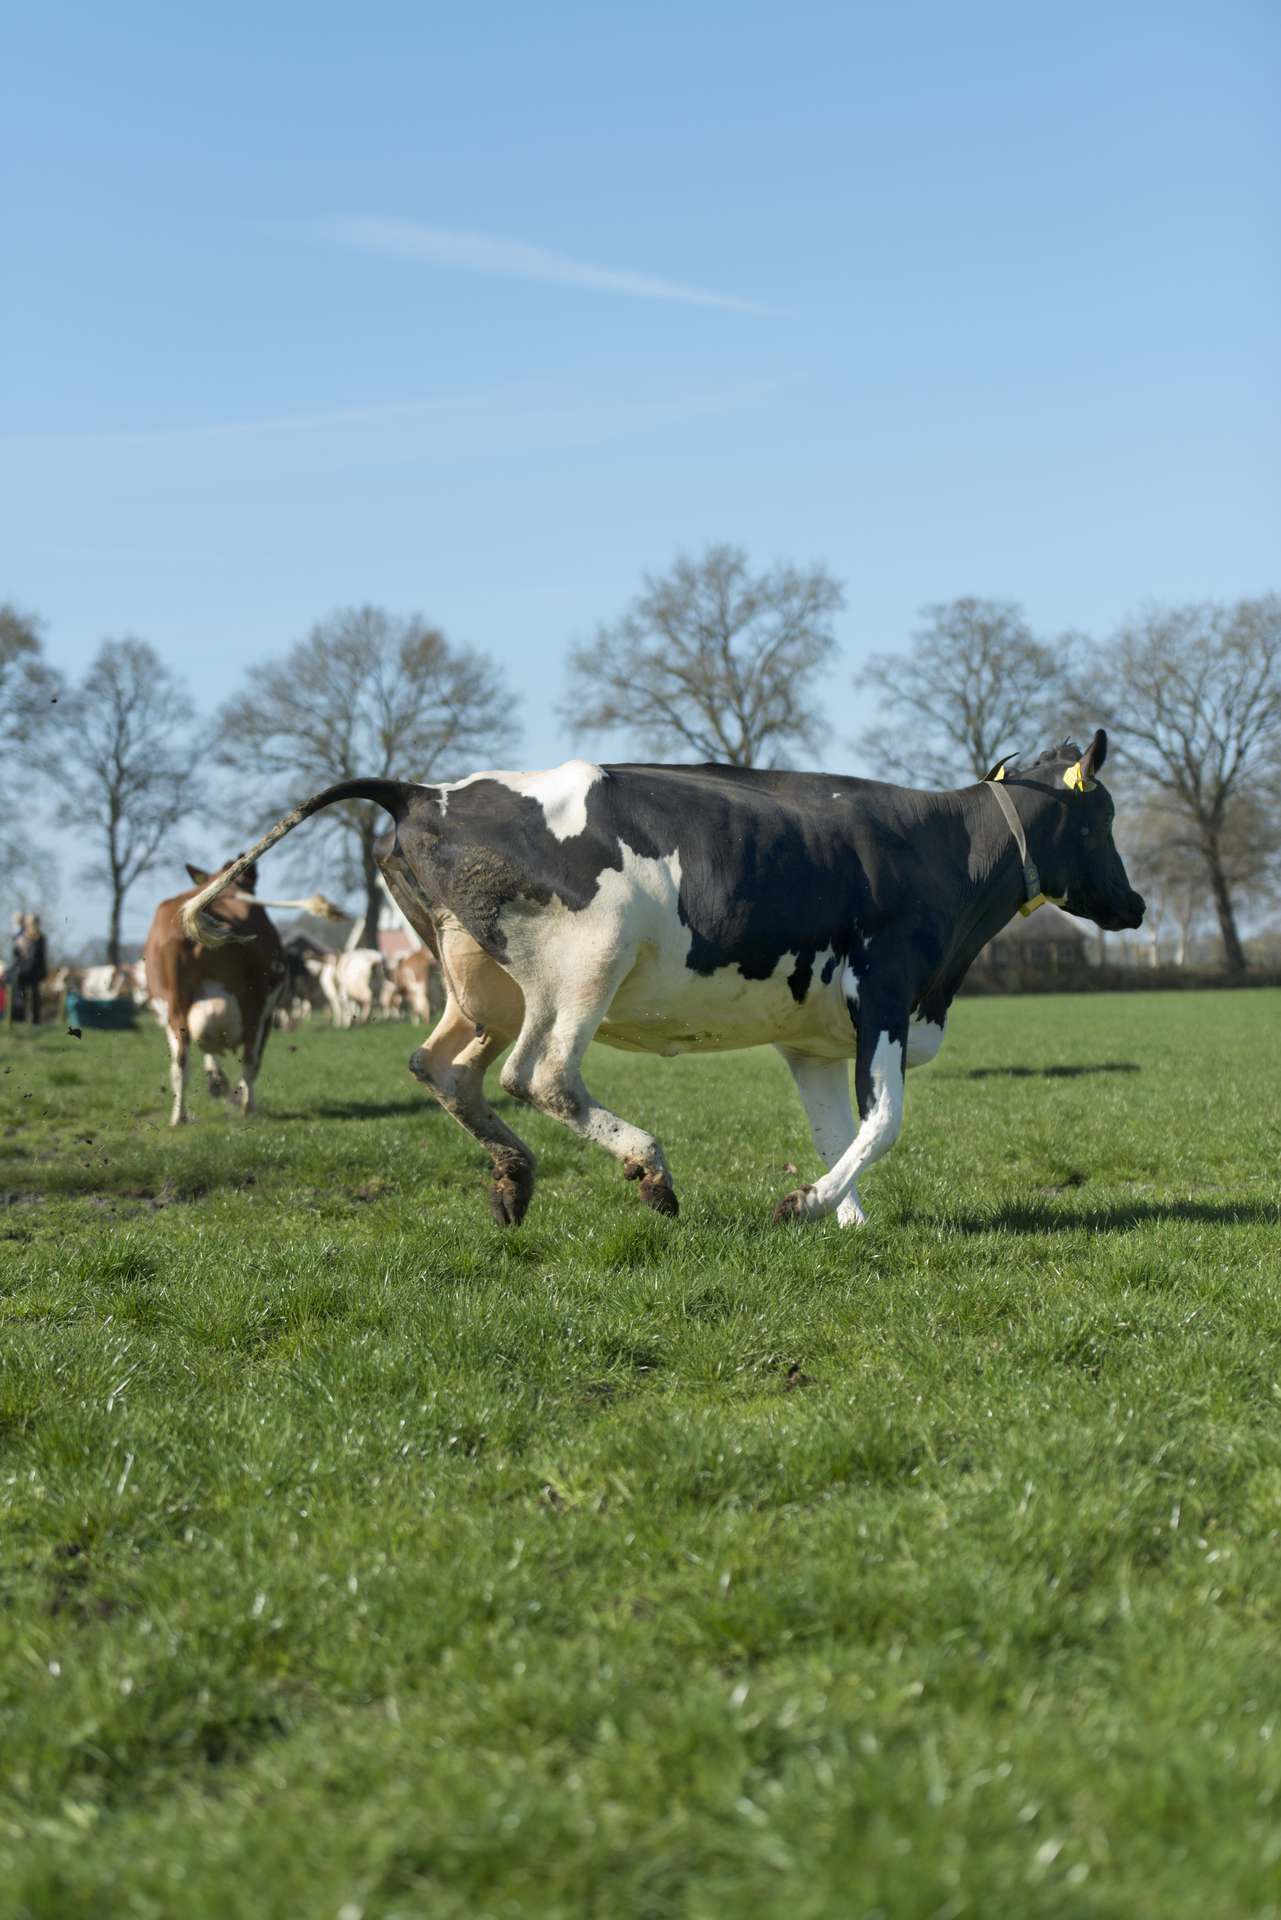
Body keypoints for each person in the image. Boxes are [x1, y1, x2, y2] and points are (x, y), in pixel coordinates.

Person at [11, 913, 48, 1026]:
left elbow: (38, 957)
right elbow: (17, 955)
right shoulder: (22, 937)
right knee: (20, 996)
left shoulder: (39, 938)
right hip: (23, 971)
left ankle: (34, 1021)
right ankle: (19, 1019)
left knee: (34, 997)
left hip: (33, 972)